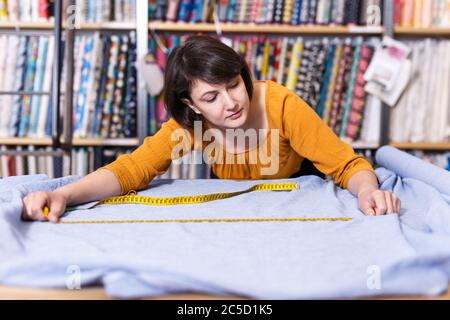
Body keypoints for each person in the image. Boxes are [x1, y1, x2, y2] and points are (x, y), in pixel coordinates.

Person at [22, 35, 401, 223]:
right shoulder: (189, 124)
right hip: (239, 215)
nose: (231, 103)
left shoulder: (282, 105)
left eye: (234, 85)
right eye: (211, 97)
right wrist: (66, 195)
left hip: (293, 205)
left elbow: (347, 166)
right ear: (189, 104)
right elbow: (130, 171)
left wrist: (368, 190)